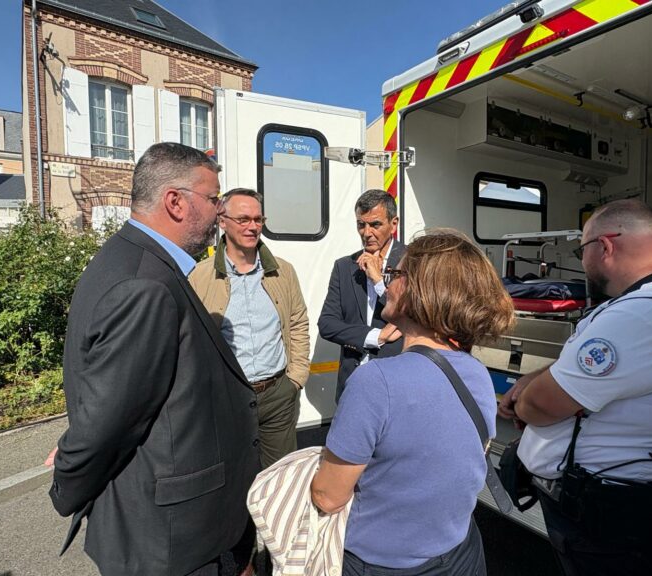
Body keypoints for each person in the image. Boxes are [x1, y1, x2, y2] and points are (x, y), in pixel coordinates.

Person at [49, 143, 261, 576]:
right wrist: (67, 484)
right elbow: (109, 420)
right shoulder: (145, 284)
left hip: (173, 527)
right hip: (169, 539)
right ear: (175, 202)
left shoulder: (134, 259)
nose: (219, 212)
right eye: (214, 198)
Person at [498, 199, 652, 576]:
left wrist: (524, 401)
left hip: (617, 522)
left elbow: (540, 406)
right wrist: (533, 380)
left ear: (604, 247)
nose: (582, 262)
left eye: (582, 251)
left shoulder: (645, 312)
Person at [311, 230, 515, 575]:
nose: (386, 284)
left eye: (394, 275)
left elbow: (328, 497)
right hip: (460, 552)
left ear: (423, 291)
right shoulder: (478, 373)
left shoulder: (375, 381)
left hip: (382, 562)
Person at [190, 187, 310, 576]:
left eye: (258, 219)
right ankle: (243, 563)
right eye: (243, 219)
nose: (253, 227)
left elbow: (297, 324)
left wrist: (295, 378)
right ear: (222, 222)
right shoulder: (202, 276)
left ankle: (283, 562)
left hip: (277, 393)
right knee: (236, 488)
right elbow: (192, 341)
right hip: (229, 400)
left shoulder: (282, 271)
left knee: (284, 486)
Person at [318, 189, 406, 402]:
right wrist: (376, 337)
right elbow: (327, 324)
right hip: (353, 383)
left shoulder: (413, 261)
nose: (367, 232)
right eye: (361, 224)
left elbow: (412, 315)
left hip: (396, 384)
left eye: (375, 224)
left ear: (393, 224)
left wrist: (378, 282)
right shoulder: (344, 266)